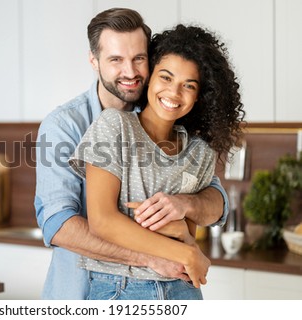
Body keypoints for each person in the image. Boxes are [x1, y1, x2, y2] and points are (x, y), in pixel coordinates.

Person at [34, 8, 229, 300]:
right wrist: (155, 256)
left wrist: (184, 207)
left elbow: (213, 201)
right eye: (115, 59)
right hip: (82, 290)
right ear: (94, 61)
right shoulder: (64, 125)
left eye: (138, 58)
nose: (130, 71)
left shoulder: (166, 115)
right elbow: (59, 225)